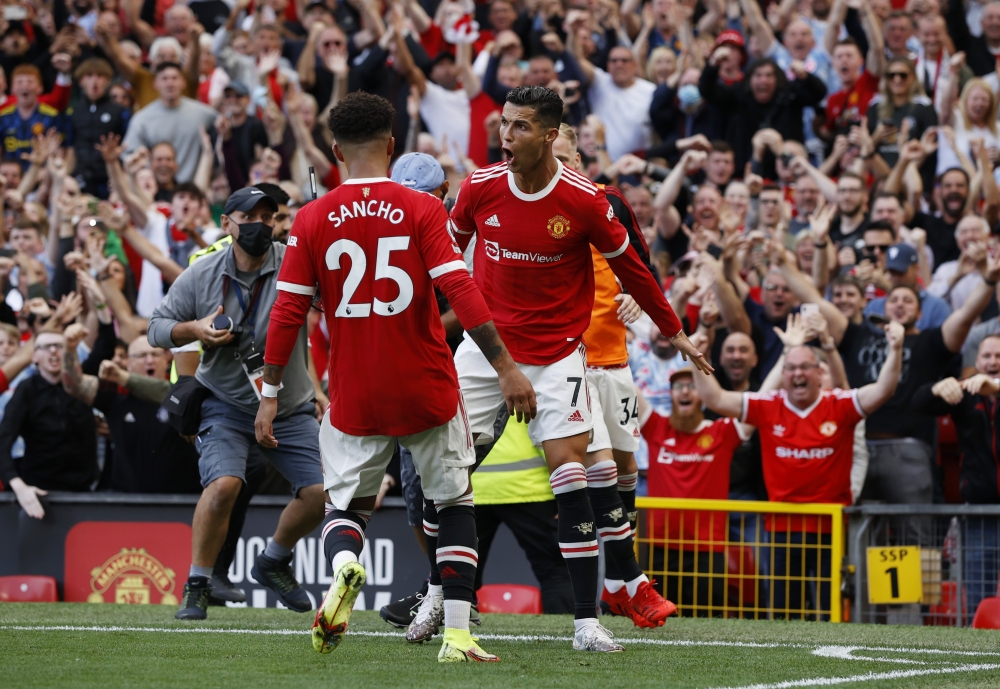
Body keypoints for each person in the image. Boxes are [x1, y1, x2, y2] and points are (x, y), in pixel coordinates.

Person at [258, 92, 534, 663]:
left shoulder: (310, 219)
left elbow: (286, 314)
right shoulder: (423, 210)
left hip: (356, 391)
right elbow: (461, 288)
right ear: (391, 146)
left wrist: (268, 395)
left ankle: (346, 565)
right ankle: (457, 634)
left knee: (348, 508)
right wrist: (506, 366)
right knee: (454, 501)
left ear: (334, 150)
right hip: (425, 385)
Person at [447, 85, 707, 653]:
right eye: (503, 125)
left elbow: (636, 270)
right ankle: (439, 604)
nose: (505, 138)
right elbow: (444, 259)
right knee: (442, 469)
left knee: (575, 474)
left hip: (559, 353)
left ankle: (588, 621)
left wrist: (675, 331)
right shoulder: (481, 186)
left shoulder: (588, 201)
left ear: (549, 135)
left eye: (519, 128)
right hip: (486, 348)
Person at [148, 186, 327, 621]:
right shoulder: (203, 272)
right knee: (224, 485)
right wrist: (195, 329)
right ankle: (197, 582)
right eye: (248, 216)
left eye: (269, 216)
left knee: (322, 494)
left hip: (288, 404)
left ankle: (273, 560)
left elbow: (332, 292)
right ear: (226, 224)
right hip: (225, 403)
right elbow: (155, 328)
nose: (259, 225)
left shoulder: (295, 260)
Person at [691, 319, 904, 618]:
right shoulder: (768, 406)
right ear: (783, 375)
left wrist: (895, 348)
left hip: (830, 529)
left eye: (805, 367)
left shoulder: (840, 405)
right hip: (781, 530)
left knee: (831, 613)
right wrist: (692, 356)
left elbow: (884, 389)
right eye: (790, 368)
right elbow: (714, 398)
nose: (797, 374)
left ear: (820, 374)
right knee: (782, 614)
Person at [552, 123, 677, 628]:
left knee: (625, 472)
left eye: (566, 158)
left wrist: (633, 296)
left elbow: (642, 268)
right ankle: (629, 581)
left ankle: (615, 587)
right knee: (593, 474)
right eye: (550, 159)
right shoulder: (533, 209)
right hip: (566, 362)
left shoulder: (610, 204)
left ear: (580, 160)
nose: (559, 169)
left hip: (614, 361)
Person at [640, 367, 750, 615]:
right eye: (678, 387)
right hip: (660, 548)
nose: (685, 391)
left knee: (706, 623)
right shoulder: (657, 427)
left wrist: (787, 352)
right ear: (670, 394)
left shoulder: (721, 432)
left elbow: (759, 408)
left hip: (707, 550)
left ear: (704, 395)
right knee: (660, 624)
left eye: (692, 386)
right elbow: (626, 386)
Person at [912, 335, 1000, 623]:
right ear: (976, 362)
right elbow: (920, 403)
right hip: (978, 515)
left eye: (999, 356)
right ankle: (978, 660)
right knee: (977, 598)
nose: (992, 362)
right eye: (987, 356)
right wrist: (938, 387)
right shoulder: (968, 394)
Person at [60, 329, 200, 494]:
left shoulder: (181, 394)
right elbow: (74, 385)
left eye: (155, 355)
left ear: (166, 360)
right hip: (126, 504)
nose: (150, 361)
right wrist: (69, 349)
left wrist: (122, 377)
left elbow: (168, 393)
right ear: (127, 362)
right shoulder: (115, 399)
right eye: (141, 356)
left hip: (181, 503)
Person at [0, 330, 98, 519]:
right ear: (34, 357)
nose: (53, 351)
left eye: (59, 346)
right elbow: (3, 438)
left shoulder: (82, 385)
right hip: (38, 491)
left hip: (85, 491)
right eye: (45, 347)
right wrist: (17, 485)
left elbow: (104, 347)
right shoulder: (26, 389)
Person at [120, 62, 218, 183]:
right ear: (155, 84)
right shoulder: (142, 119)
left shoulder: (203, 113)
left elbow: (223, 128)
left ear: (183, 82)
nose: (170, 83)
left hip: (193, 188)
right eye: (164, 79)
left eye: (174, 78)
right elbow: (128, 155)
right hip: (156, 189)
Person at [864, 243, 951, 330]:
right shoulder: (874, 306)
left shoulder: (936, 307)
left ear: (916, 269)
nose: (895, 278)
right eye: (891, 272)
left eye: (900, 272)